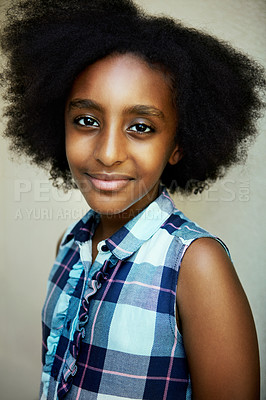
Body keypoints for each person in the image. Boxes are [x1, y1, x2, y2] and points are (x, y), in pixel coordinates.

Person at [1, 0, 265, 399]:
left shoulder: (195, 266)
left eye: (141, 127)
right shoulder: (70, 245)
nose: (108, 153)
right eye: (87, 121)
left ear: (177, 146)